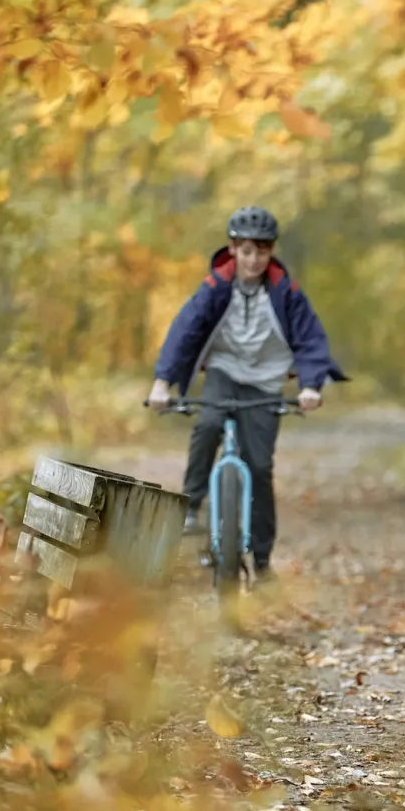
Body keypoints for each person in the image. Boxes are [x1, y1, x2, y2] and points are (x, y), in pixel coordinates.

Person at [146, 206, 346, 579]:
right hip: (225, 370)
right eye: (246, 251)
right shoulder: (215, 287)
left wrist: (310, 386)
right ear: (233, 249)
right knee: (208, 425)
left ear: (271, 252)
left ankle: (263, 559)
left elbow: (310, 341)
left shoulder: (286, 292)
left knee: (259, 466)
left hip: (266, 379)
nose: (253, 260)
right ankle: (191, 506)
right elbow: (184, 333)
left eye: (262, 251)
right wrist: (163, 382)